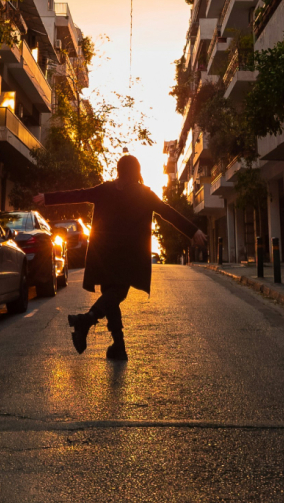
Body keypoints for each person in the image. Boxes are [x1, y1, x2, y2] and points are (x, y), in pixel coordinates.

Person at [33, 151, 206, 362]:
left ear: (119, 170)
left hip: (103, 256)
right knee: (117, 295)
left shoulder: (105, 190)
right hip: (129, 257)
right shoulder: (144, 194)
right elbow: (168, 212)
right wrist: (193, 231)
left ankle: (119, 346)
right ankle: (86, 320)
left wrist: (47, 198)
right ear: (137, 172)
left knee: (111, 297)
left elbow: (78, 194)